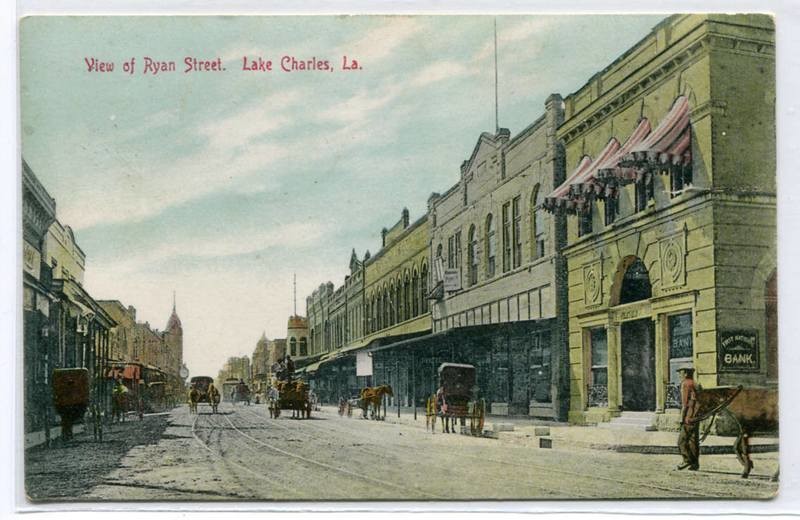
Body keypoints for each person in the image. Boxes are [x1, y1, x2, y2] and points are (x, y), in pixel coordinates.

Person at [677, 365, 700, 471]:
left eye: (680, 372)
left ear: (685, 373)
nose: (679, 375)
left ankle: (686, 460)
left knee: (681, 440)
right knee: (693, 440)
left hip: (688, 416)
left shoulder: (685, 384)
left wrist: (681, 418)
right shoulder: (696, 384)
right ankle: (695, 463)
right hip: (696, 416)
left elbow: (684, 403)